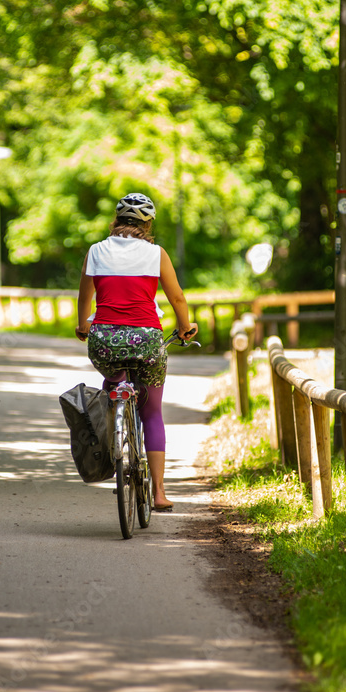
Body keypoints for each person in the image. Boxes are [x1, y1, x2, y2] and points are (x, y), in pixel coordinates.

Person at [75, 192, 198, 512]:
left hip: (104, 339)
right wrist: (185, 327)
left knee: (113, 384)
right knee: (152, 411)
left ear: (116, 222)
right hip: (147, 341)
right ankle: (158, 492)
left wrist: (82, 325)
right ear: (148, 223)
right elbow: (178, 299)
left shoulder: (95, 251)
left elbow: (84, 297)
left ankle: (113, 427)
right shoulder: (157, 254)